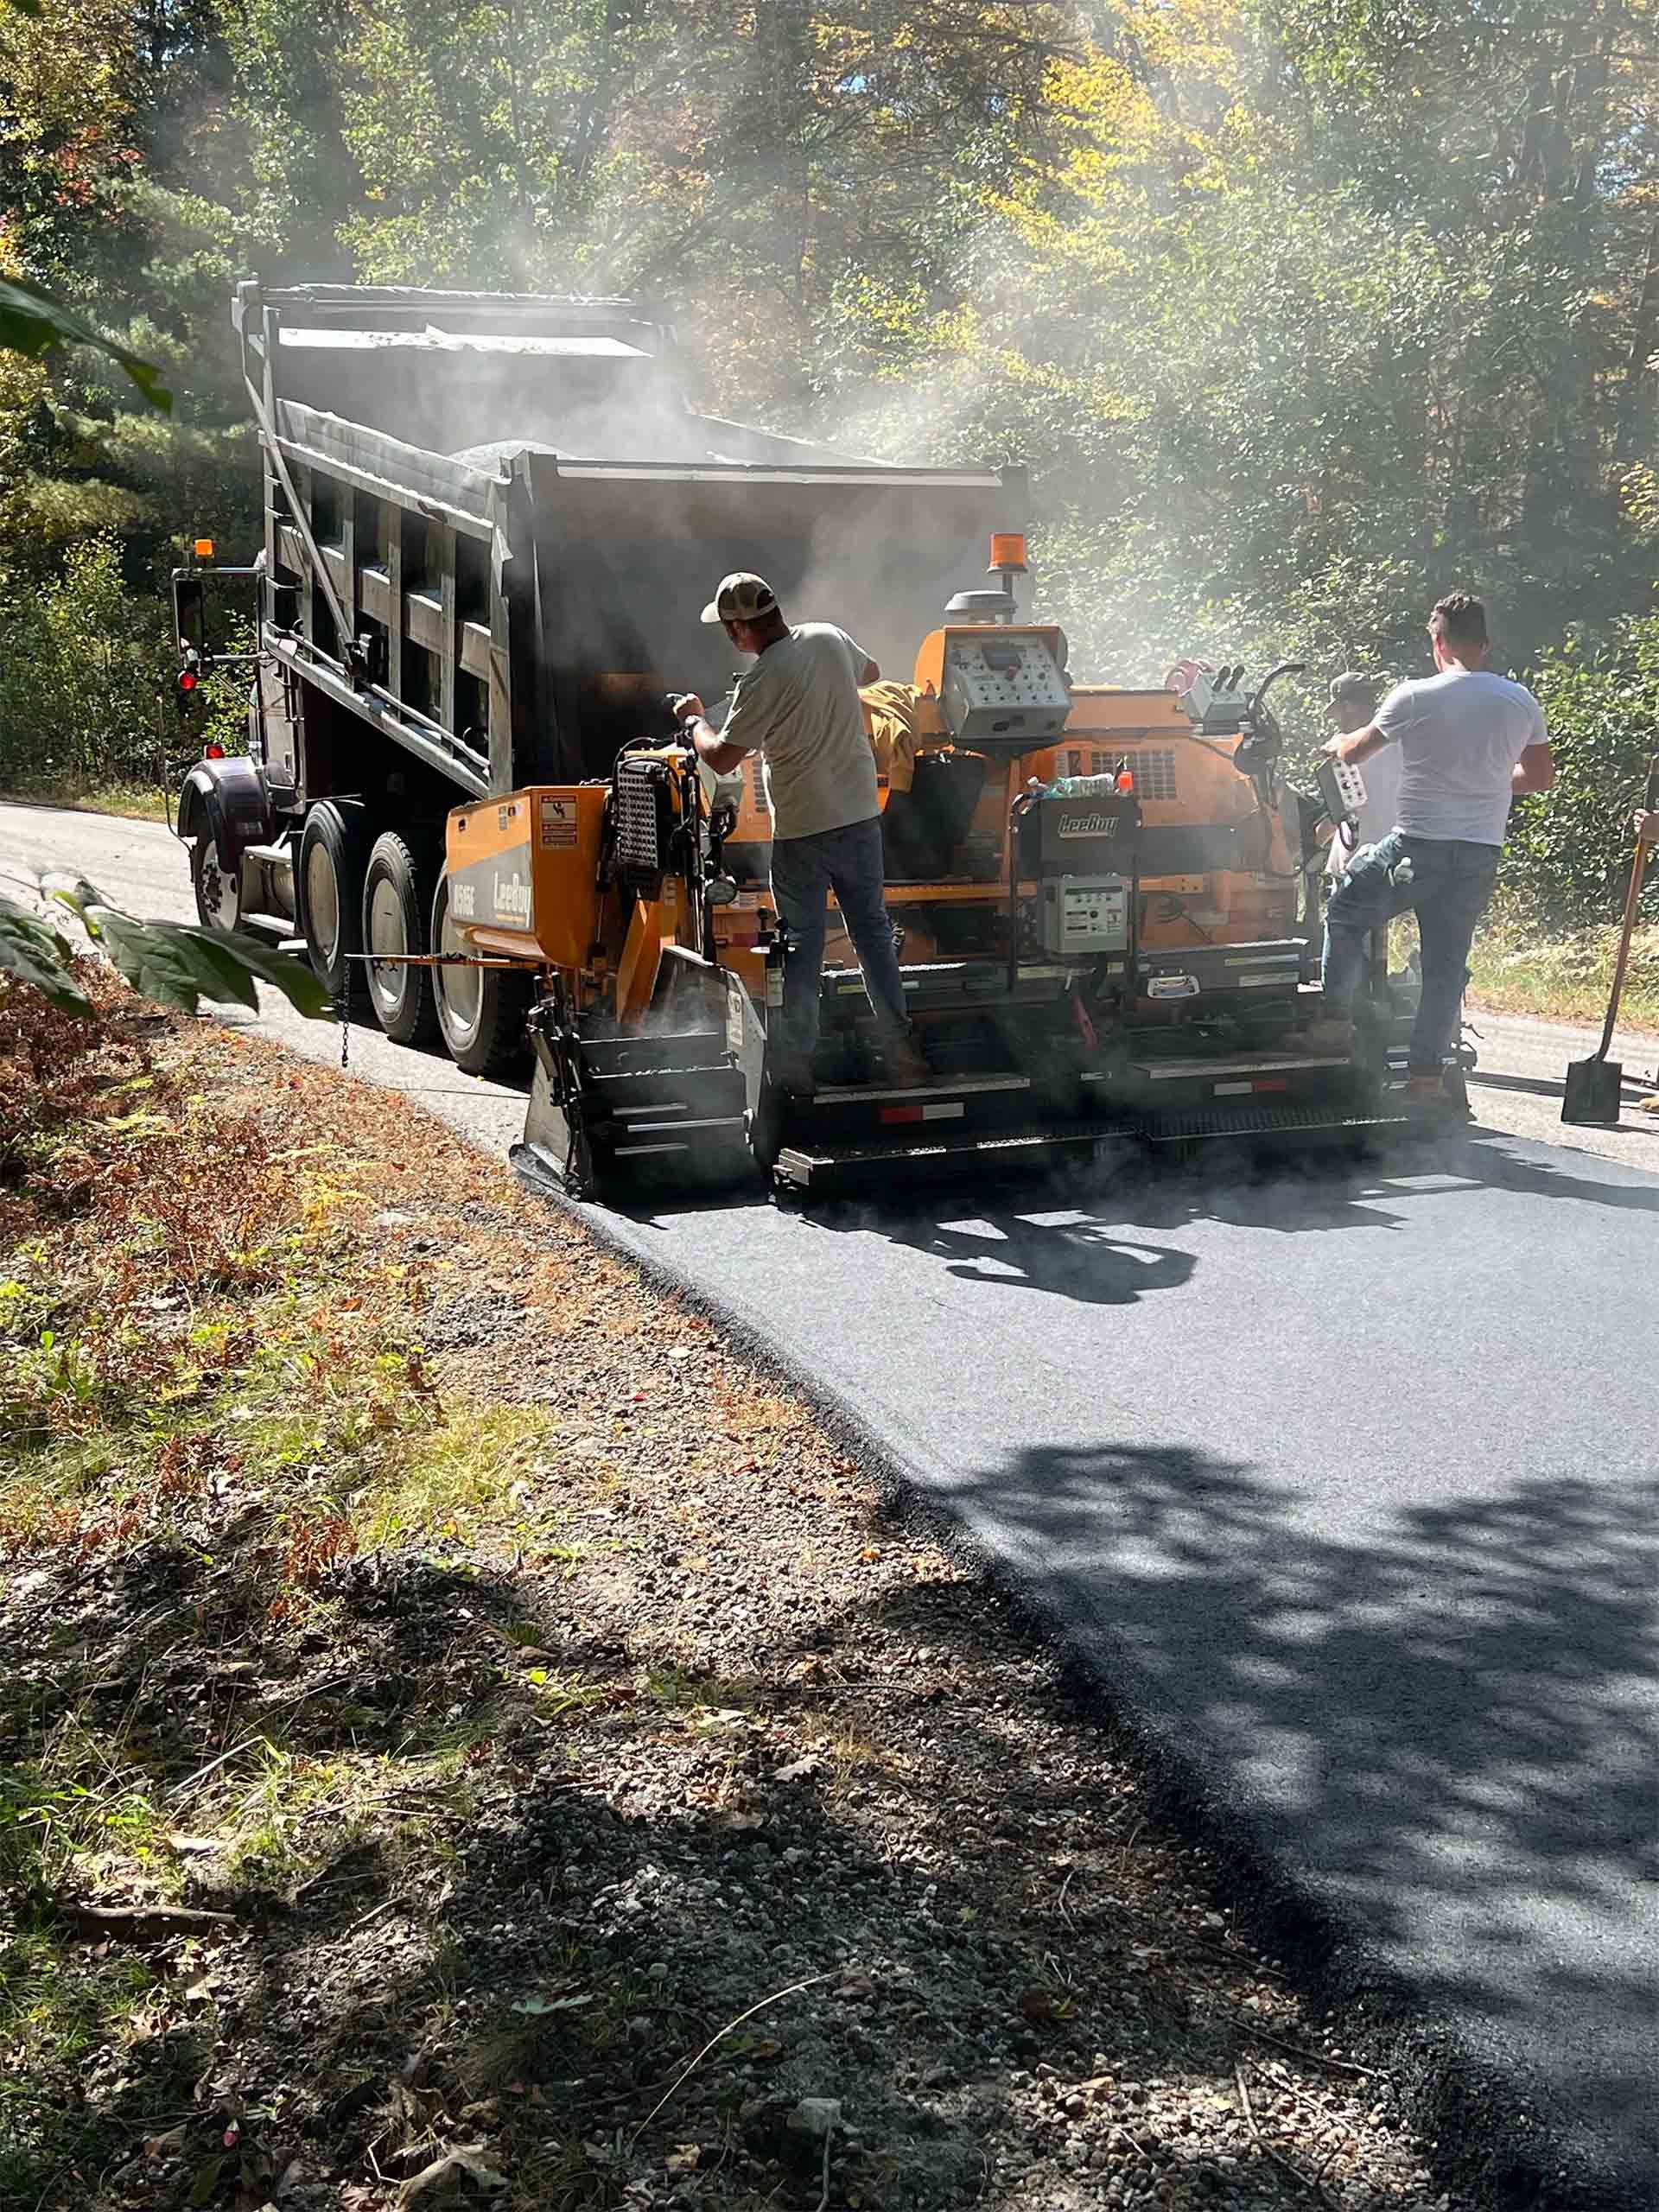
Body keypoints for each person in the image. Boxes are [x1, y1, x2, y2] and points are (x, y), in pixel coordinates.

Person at [673, 571, 931, 1093]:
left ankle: (797, 1066)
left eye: (729, 629)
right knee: (872, 932)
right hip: (859, 817)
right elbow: (873, 671)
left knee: (803, 944)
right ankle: (902, 1053)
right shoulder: (828, 637)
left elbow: (722, 755)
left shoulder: (762, 679)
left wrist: (694, 721)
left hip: (801, 832)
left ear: (740, 629)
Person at [1310, 591, 1554, 1109]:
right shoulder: (1520, 701)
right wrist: (1484, 781)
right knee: (1446, 965)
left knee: (1346, 911)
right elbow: (1538, 776)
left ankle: (1335, 1025)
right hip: (1479, 852)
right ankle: (1424, 1079)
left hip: (1417, 845)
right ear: (1485, 644)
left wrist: (1338, 743)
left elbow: (1355, 750)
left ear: (1437, 642)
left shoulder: (1415, 695)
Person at [1321, 673, 1398, 878]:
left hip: (1356, 863)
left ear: (1348, 706)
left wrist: (1308, 845)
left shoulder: (1342, 748)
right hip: (1396, 859)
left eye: (1337, 712)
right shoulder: (1400, 739)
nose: (1336, 719)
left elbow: (1336, 812)